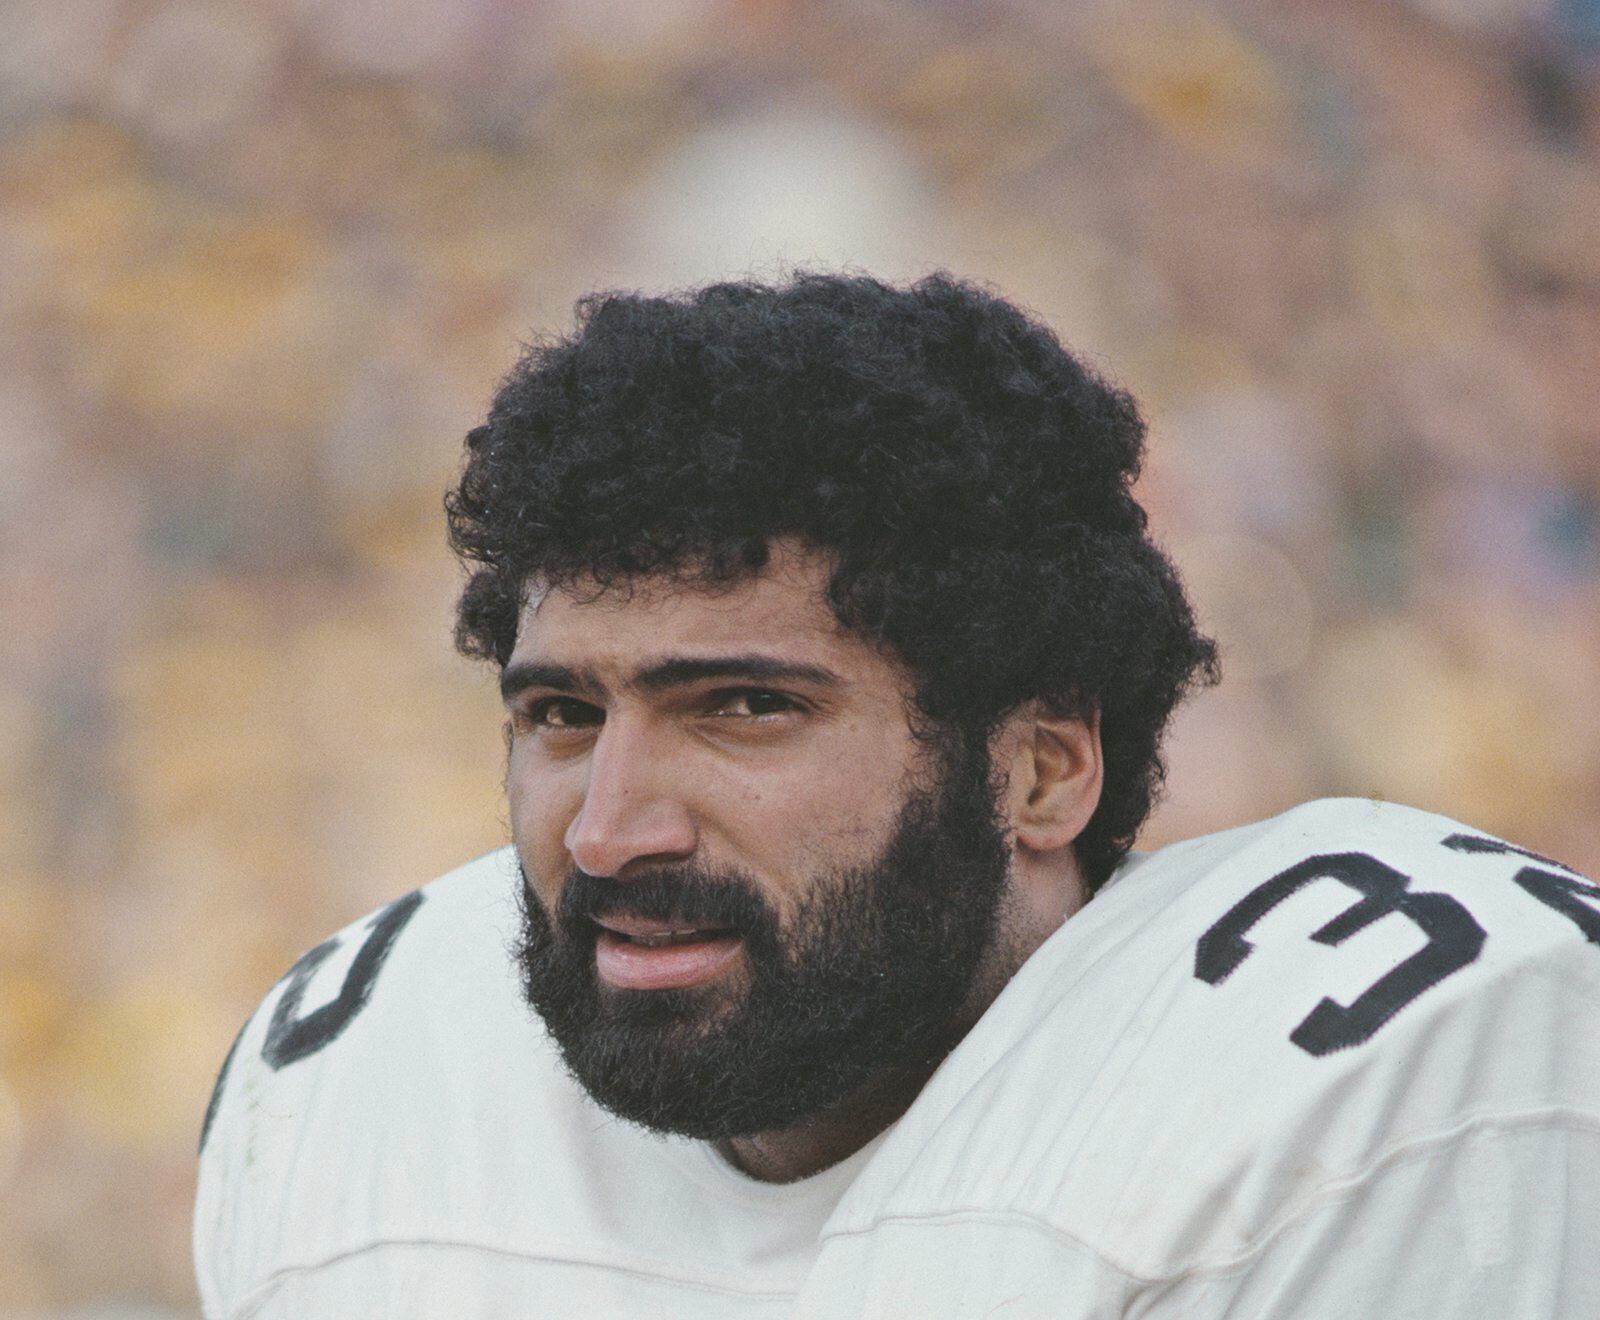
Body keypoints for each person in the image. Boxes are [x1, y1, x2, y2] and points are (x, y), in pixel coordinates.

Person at [194, 273, 1600, 1318]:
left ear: (1039, 769)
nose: (612, 830)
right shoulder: (373, 1084)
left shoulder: (1379, 1080)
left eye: (744, 708)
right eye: (563, 714)